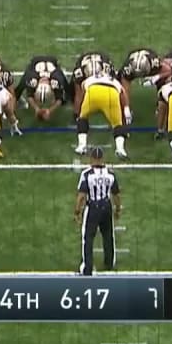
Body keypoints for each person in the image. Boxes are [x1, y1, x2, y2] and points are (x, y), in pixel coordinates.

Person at [72, 55, 132, 160]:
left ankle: (82, 146)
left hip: (93, 93)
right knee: (117, 124)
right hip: (111, 95)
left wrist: (80, 110)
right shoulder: (113, 80)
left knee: (83, 118)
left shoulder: (89, 79)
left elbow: (82, 93)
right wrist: (126, 109)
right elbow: (122, 93)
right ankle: (120, 149)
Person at [75, 147, 121, 276]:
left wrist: (77, 211)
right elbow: (116, 194)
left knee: (88, 237)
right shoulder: (110, 174)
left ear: (92, 158)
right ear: (102, 158)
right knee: (108, 236)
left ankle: (87, 267)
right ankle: (109, 262)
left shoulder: (87, 174)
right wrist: (117, 209)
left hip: (93, 208)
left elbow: (81, 195)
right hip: (106, 206)